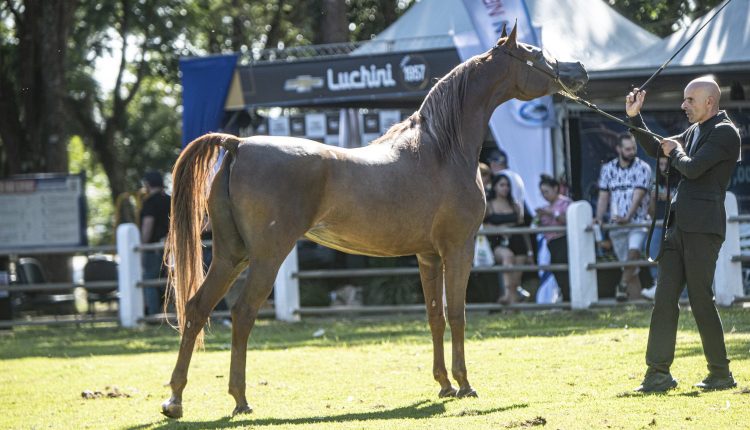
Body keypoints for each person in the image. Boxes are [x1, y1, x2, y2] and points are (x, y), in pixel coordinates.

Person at [627, 76, 740, 392]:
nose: (683, 105)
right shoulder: (693, 130)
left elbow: (691, 168)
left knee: (702, 300)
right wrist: (635, 117)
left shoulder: (725, 133)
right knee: (664, 299)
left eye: (690, 100)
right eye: (684, 99)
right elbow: (658, 147)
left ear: (709, 102)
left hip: (704, 228)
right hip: (676, 226)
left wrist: (675, 151)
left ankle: (720, 374)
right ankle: (657, 374)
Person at [594, 133, 652, 301]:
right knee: (629, 268)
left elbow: (639, 195)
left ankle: (621, 285)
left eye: (633, 148)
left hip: (638, 222)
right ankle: (637, 305)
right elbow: (603, 196)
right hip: (616, 224)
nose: (631, 151)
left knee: (633, 254)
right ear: (618, 149)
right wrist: (598, 217)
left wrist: (628, 216)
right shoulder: (608, 169)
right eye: (627, 149)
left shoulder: (643, 168)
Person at [484, 174, 532, 304]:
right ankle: (505, 294)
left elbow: (523, 229)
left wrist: (530, 251)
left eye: (507, 185)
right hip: (499, 243)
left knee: (515, 282)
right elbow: (482, 225)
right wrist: (500, 228)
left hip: (518, 243)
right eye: (502, 185)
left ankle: (511, 310)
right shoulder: (488, 205)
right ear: (494, 187)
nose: (505, 188)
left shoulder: (515, 205)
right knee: (507, 256)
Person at [641, 156, 681, 300]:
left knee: (676, 256)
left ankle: (678, 290)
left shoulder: (681, 179)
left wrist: (670, 197)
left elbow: (684, 200)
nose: (663, 167)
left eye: (666, 164)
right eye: (661, 164)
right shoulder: (654, 183)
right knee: (650, 249)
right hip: (658, 222)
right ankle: (657, 283)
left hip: (676, 223)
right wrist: (653, 198)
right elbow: (651, 212)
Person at [535, 174, 573, 301]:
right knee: (557, 271)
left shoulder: (566, 203)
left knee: (564, 270)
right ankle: (565, 296)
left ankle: (569, 297)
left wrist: (551, 213)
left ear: (556, 188)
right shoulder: (544, 208)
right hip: (551, 243)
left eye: (546, 191)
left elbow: (568, 220)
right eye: (542, 193)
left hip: (563, 240)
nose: (545, 195)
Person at [140, 170, 171, 316]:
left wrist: (142, 245)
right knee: (169, 281)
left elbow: (148, 225)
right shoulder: (171, 200)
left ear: (147, 184)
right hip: (171, 246)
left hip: (154, 248)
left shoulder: (149, 202)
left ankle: (153, 315)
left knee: (150, 281)